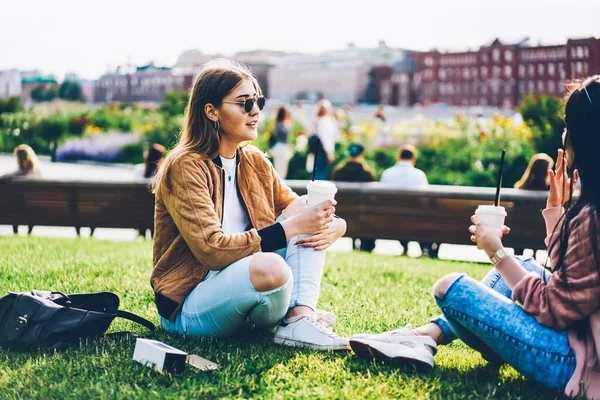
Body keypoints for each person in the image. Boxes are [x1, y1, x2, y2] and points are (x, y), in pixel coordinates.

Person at [350, 76, 600, 399]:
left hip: (570, 360)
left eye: (568, 125)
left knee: (449, 287)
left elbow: (554, 307)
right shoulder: (590, 213)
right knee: (521, 264)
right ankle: (425, 336)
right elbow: (573, 278)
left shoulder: (593, 217)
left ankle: (425, 336)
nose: (564, 135)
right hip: (579, 338)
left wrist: (496, 252)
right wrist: (556, 212)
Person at [151, 59, 350, 351]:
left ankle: (299, 317)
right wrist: (291, 226)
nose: (255, 111)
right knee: (272, 261)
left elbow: (298, 210)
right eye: (244, 103)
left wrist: (337, 226)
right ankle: (292, 319)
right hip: (190, 304)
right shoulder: (186, 166)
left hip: (244, 286)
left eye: (258, 101)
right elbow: (211, 250)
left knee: (306, 214)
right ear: (211, 111)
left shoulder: (253, 160)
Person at [380, 145, 438, 258]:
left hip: (390, 220)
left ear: (398, 157)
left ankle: (405, 247)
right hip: (416, 220)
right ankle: (425, 249)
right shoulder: (419, 175)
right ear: (413, 159)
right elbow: (425, 199)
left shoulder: (387, 174)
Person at [332, 143, 376, 252]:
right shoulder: (368, 174)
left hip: (342, 216)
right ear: (363, 154)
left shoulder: (338, 172)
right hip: (364, 221)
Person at [513, 153, 554, 255]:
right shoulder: (550, 191)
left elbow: (516, 213)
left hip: (520, 234)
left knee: (521, 230)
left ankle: (518, 257)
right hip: (542, 234)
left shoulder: (520, 188)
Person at [1, 144, 42, 235]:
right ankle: (29, 230)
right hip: (34, 207)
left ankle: (15, 231)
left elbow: (3, 178)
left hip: (18, 208)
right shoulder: (37, 173)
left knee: (13, 202)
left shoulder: (18, 174)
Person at [310, 99, 339, 180]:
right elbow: (326, 138)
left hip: (318, 149)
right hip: (323, 150)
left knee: (317, 170)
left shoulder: (318, 120)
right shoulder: (325, 121)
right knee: (321, 172)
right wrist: (329, 152)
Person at [270, 105, 292, 179]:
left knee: (283, 169)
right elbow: (284, 134)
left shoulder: (282, 123)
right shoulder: (279, 124)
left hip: (282, 147)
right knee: (279, 168)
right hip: (280, 147)